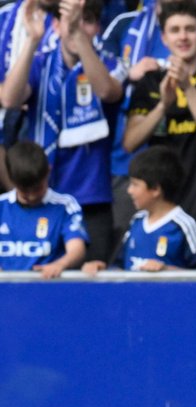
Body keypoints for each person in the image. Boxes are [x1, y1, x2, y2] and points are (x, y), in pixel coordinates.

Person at [1, 0, 124, 265]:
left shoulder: (110, 64)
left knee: (90, 292)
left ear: (97, 27)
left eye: (87, 20)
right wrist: (32, 41)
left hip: (90, 198)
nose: (78, 27)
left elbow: (106, 90)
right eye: (71, 21)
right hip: (42, 196)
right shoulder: (40, 63)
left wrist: (78, 36)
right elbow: (9, 99)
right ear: (55, 25)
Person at [124, 0, 196, 271]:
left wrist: (188, 89)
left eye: (190, 29)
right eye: (175, 30)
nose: (183, 36)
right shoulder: (151, 83)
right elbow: (131, 142)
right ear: (163, 38)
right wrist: (163, 106)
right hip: (161, 215)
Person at [85, 145, 196, 271]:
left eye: (135, 185)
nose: (129, 190)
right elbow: (121, 266)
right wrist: (103, 270)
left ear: (155, 189)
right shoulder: (136, 222)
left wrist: (166, 270)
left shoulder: (184, 226)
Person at [0, 140, 87, 275]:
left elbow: (77, 248)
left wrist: (60, 264)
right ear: (12, 180)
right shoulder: (2, 206)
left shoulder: (65, 206)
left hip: (47, 288)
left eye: (37, 188)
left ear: (48, 171)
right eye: (24, 190)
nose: (32, 196)